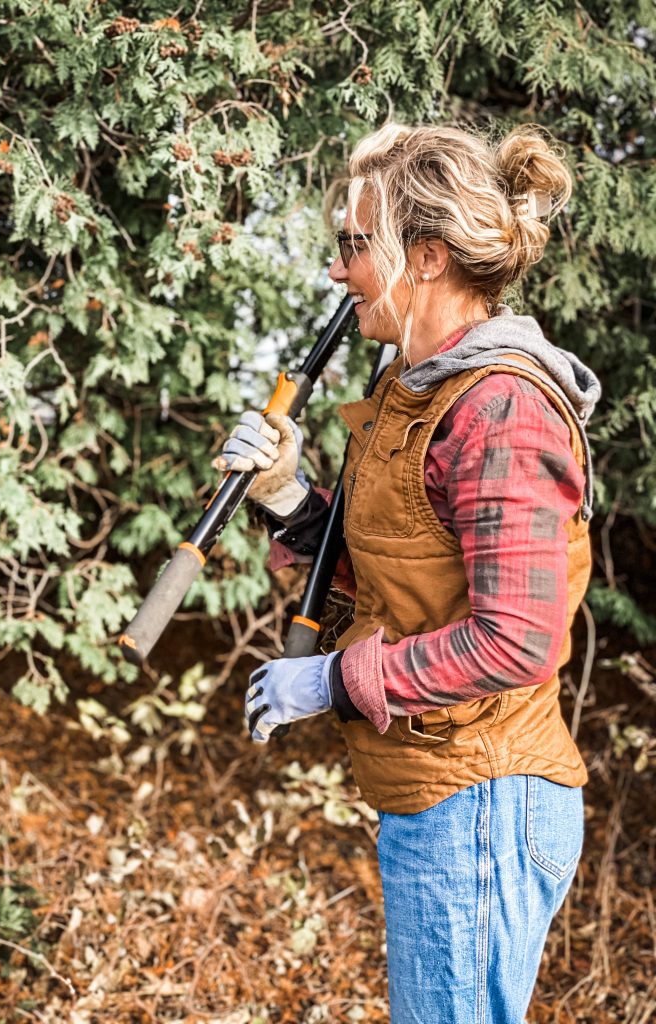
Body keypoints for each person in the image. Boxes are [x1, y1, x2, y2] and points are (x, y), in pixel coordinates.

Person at [214, 123, 601, 1024]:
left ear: (424, 257)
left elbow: (516, 641)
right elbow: (393, 572)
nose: (339, 272)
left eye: (354, 245)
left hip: (483, 804)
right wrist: (283, 497)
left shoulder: (500, 408)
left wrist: (338, 680)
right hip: (441, 791)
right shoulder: (415, 390)